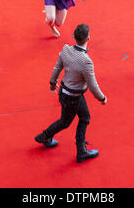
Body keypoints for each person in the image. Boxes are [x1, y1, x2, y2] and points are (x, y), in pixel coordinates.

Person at [35, 23, 107, 163]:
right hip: (73, 96)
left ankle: (81, 151)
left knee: (85, 117)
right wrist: (102, 98)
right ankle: (44, 136)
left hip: (66, 92)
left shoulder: (66, 49)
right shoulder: (86, 62)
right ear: (88, 38)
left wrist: (52, 83)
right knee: (65, 121)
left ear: (74, 37)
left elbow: (57, 68)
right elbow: (92, 85)